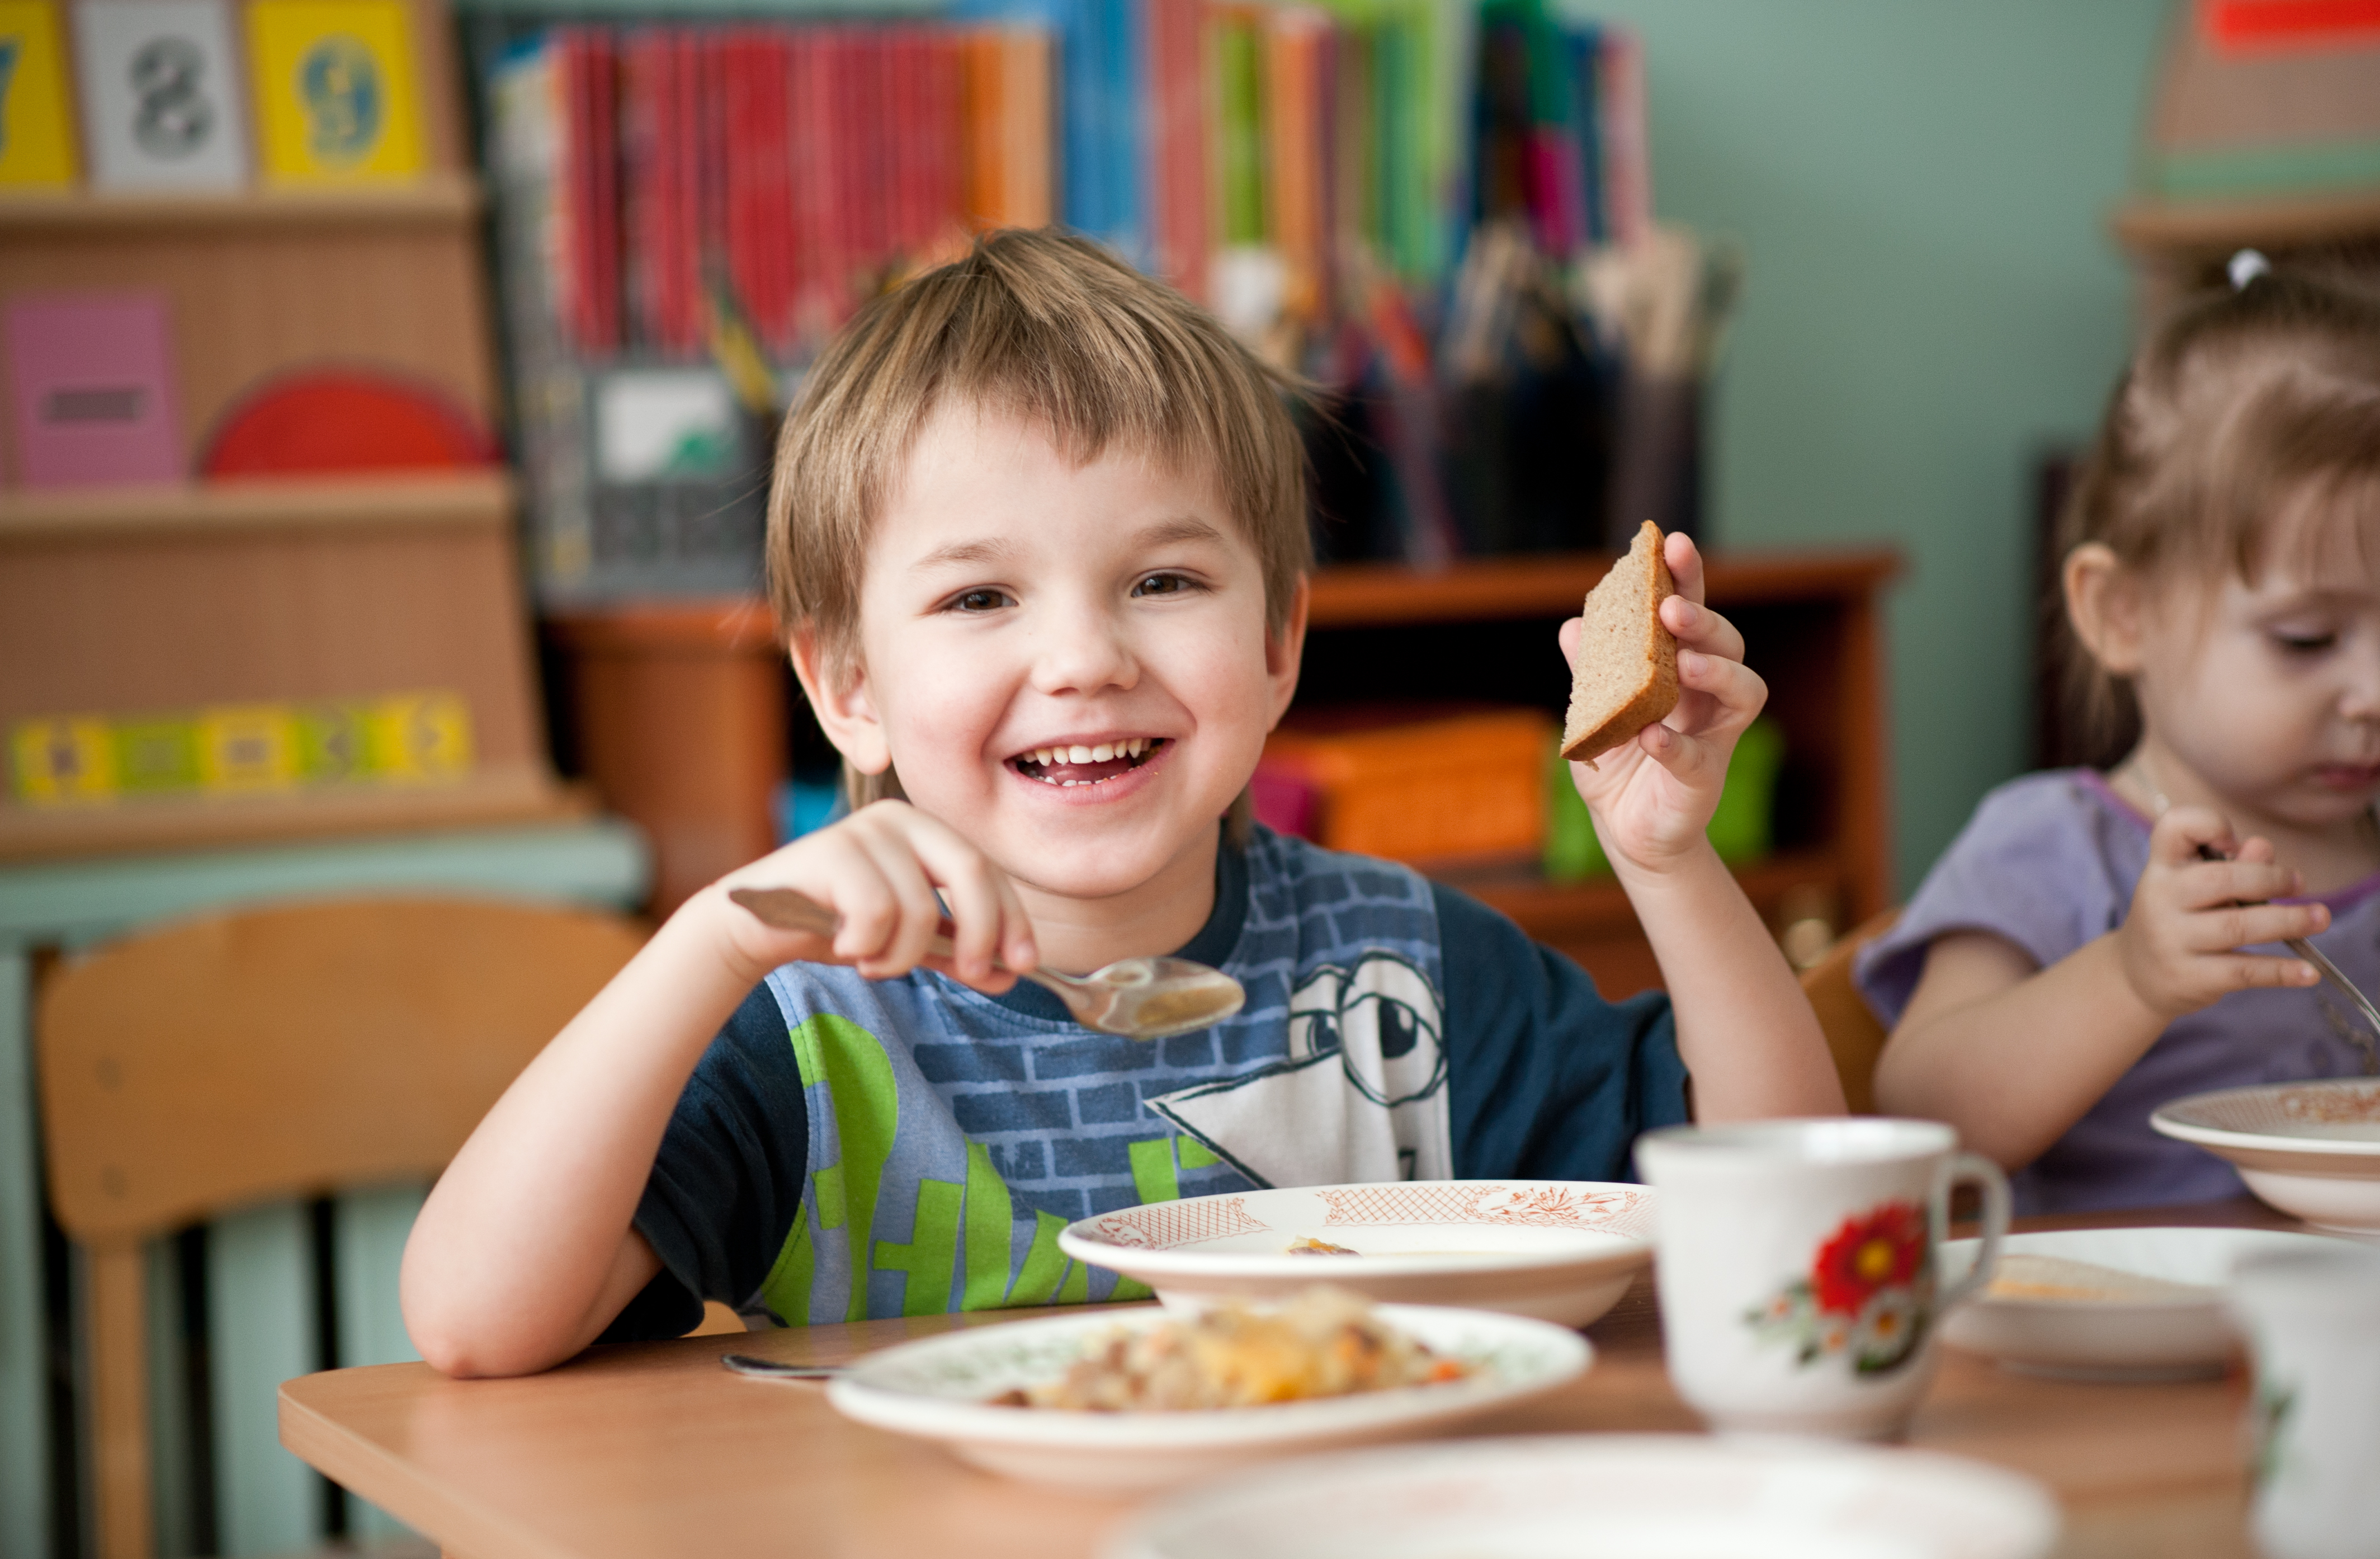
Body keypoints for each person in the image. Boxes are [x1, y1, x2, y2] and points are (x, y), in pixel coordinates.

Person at [402, 229, 1840, 1377]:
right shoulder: (808, 1029)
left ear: (1278, 645)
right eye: (979, 597)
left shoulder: (1410, 974)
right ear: (847, 685)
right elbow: (472, 1323)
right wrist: (713, 941)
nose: (1085, 661)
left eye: (1162, 582)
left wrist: (1666, 865)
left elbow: (1780, 1211)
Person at [1860, 260, 2380, 1214]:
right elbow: (1919, 1113)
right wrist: (2132, 978)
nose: (2373, 692)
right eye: (2307, 639)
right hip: (2126, 1336)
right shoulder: (2052, 848)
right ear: (2121, 612)